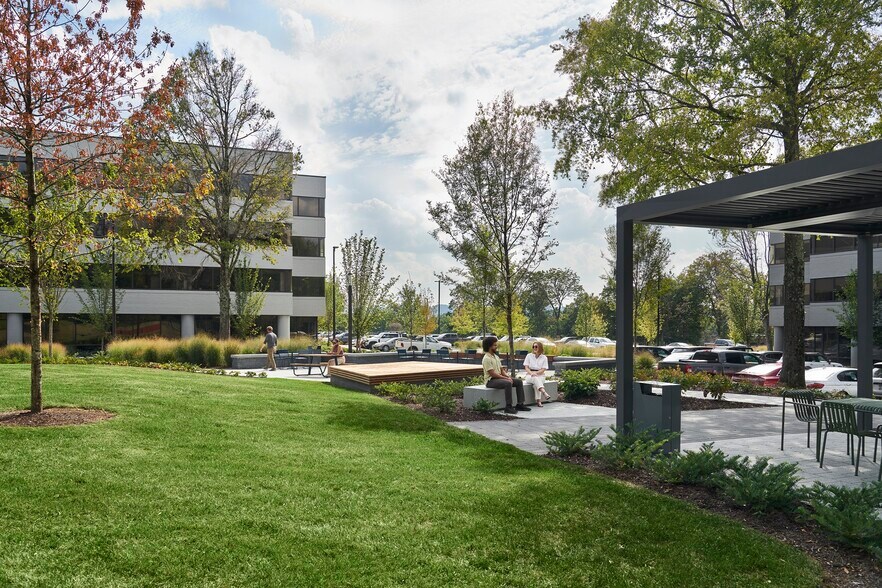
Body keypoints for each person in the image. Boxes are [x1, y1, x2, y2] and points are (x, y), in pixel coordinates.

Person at [482, 336, 530, 414]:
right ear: (489, 346)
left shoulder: (496, 357)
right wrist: (506, 379)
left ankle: (520, 404)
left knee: (518, 382)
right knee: (508, 383)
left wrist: (508, 376)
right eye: (494, 345)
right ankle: (508, 407)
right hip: (491, 381)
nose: (496, 346)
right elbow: (492, 374)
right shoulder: (486, 358)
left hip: (499, 378)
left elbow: (501, 370)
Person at [523, 342, 550, 407]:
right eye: (533, 347)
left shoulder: (544, 357)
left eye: (536, 347)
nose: (534, 348)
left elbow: (543, 369)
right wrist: (531, 373)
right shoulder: (529, 356)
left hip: (541, 375)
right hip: (529, 375)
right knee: (535, 378)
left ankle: (538, 401)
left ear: (540, 347)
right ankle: (544, 392)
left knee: (536, 385)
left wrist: (536, 373)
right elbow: (526, 367)